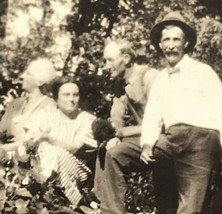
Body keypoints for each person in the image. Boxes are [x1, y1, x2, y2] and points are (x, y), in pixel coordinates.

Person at [140, 11, 222, 214]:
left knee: (191, 206)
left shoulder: (203, 71)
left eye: (176, 39)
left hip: (200, 140)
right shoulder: (160, 79)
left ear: (185, 43)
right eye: (166, 40)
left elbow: (220, 108)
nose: (171, 45)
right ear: (160, 45)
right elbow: (152, 116)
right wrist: (146, 144)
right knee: (120, 154)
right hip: (171, 140)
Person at [94, 39, 159, 213]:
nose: (106, 66)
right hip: (142, 138)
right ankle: (101, 207)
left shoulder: (150, 77)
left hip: (163, 138)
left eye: (110, 60)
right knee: (105, 149)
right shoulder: (119, 84)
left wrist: (124, 131)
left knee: (116, 154)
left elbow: (162, 120)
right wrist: (114, 136)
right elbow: (116, 119)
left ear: (126, 58)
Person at [18, 75, 98, 209]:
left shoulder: (87, 120)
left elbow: (75, 148)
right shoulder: (46, 113)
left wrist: (46, 137)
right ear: (55, 98)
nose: (71, 99)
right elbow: (27, 140)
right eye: (66, 95)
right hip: (42, 168)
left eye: (75, 95)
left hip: (77, 172)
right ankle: (54, 197)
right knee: (42, 150)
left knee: (52, 150)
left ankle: (54, 198)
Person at [0, 58, 57, 150]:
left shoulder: (49, 107)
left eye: (28, 73)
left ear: (40, 82)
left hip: (28, 159)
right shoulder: (14, 103)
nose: (22, 76)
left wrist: (2, 149)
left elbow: (32, 142)